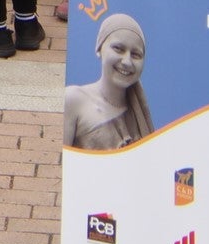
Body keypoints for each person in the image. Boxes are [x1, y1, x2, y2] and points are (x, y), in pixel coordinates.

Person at [63, 13, 153, 150]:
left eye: (136, 55)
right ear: (99, 49)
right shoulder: (74, 99)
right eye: (118, 49)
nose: (127, 62)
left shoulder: (138, 114)